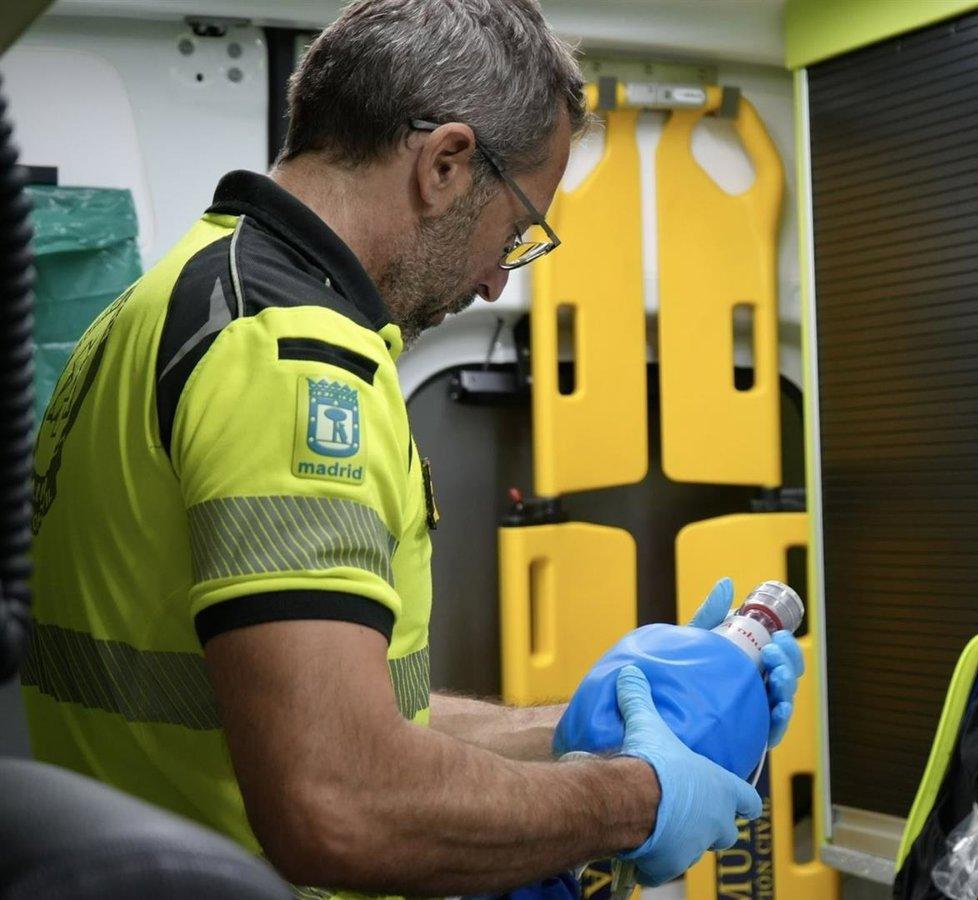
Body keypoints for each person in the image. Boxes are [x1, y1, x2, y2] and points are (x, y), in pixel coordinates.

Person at [21, 0, 804, 897]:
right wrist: (637, 799)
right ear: (445, 165)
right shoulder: (294, 361)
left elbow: (338, 716)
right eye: (515, 231)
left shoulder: (179, 295)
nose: (497, 281)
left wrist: (584, 726)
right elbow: (341, 802)